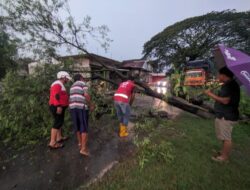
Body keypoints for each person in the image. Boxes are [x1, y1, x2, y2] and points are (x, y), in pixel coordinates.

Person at [204, 67, 240, 162]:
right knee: (224, 136)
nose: (217, 76)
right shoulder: (228, 84)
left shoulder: (230, 85)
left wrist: (209, 94)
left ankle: (224, 158)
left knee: (226, 137)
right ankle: (223, 152)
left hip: (227, 115)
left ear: (223, 75)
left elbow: (225, 101)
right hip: (225, 114)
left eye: (219, 74)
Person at [69, 74, 94, 156]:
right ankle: (83, 149)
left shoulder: (72, 86)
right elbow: (86, 95)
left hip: (72, 107)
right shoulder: (83, 84)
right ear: (81, 78)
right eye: (83, 78)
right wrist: (91, 105)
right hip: (81, 108)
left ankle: (80, 143)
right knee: (84, 127)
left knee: (77, 126)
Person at [48, 71, 71, 149]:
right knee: (57, 123)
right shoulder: (57, 84)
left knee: (59, 122)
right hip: (57, 106)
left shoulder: (59, 84)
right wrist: (58, 106)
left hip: (59, 106)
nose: (67, 80)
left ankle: (59, 138)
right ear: (63, 77)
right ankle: (52, 143)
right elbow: (56, 95)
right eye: (67, 78)